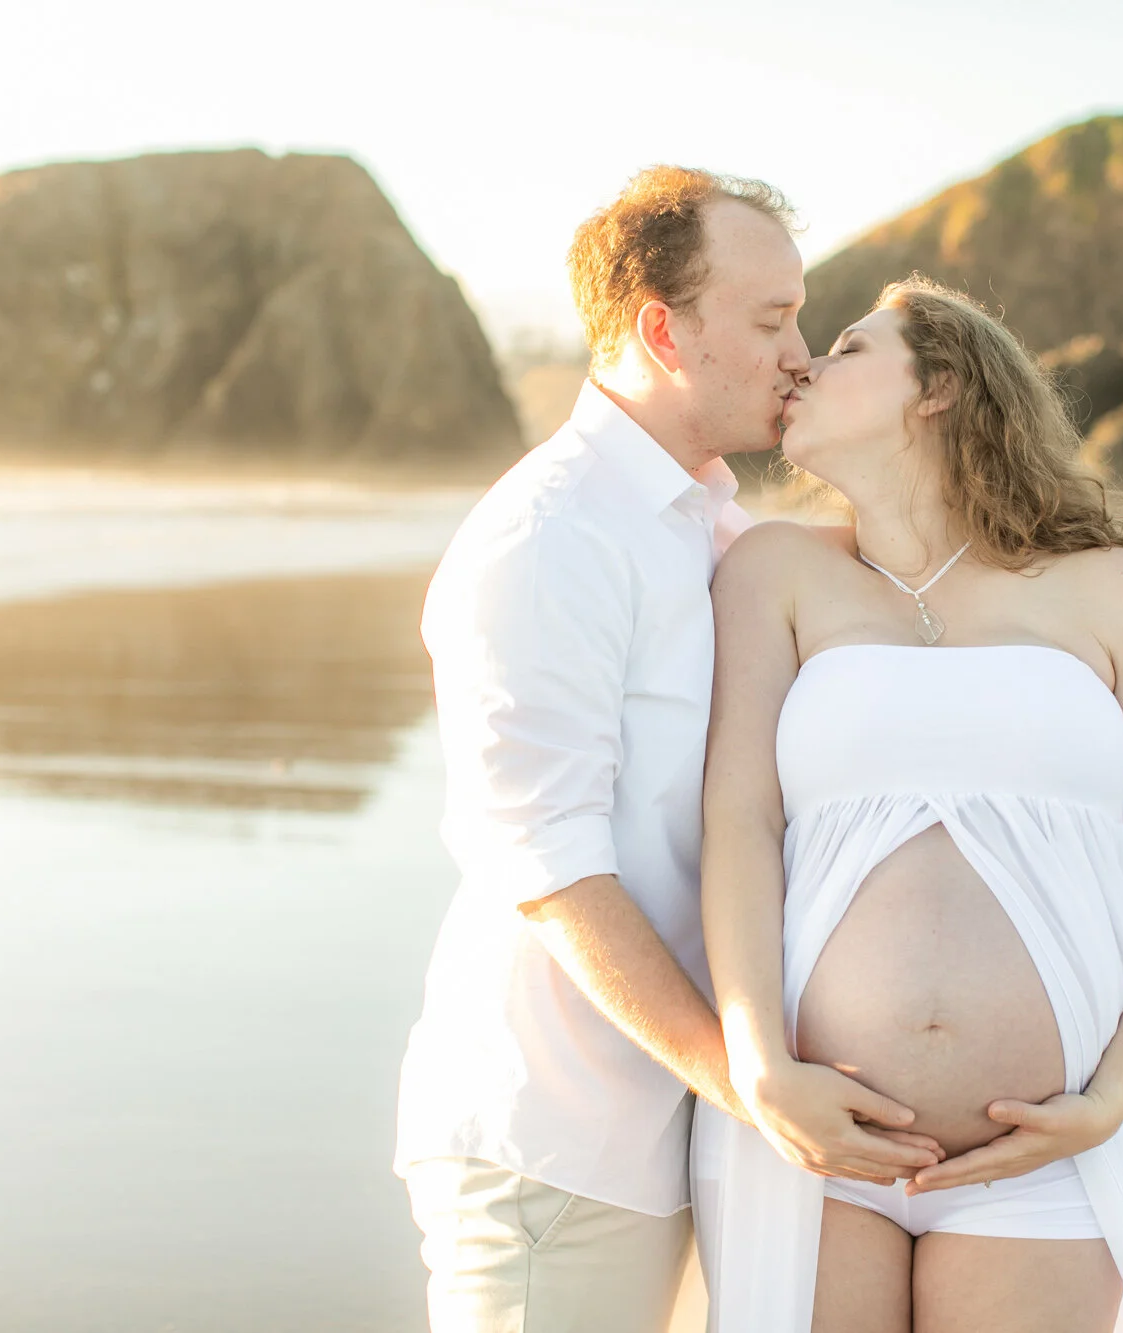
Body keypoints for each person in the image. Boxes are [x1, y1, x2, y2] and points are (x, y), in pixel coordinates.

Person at [394, 168, 941, 1333]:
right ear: (662, 328)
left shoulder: (719, 530)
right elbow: (544, 865)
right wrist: (745, 1081)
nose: (799, 352)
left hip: (693, 1134)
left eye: (801, 318)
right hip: (565, 1140)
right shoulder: (549, 539)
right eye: (768, 319)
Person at [694, 278, 1123, 1332]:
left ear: (940, 386)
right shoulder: (772, 571)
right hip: (816, 1136)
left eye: (851, 348)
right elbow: (738, 828)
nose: (808, 363)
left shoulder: (1113, 587)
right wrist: (758, 1062)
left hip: (1047, 1150)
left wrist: (1111, 1100)